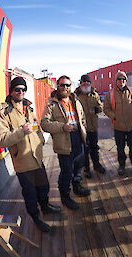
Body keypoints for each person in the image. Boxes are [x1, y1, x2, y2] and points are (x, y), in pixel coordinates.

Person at [0, 77, 61, 232]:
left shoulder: (29, 108)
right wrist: (20, 132)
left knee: (44, 186)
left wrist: (40, 141)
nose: (21, 92)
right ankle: (36, 217)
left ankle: (45, 206)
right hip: (22, 162)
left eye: (23, 89)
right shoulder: (5, 113)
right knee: (30, 194)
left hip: (37, 158)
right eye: (17, 89)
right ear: (11, 91)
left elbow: (36, 126)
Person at [41, 75, 90, 211]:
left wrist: (83, 130)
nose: (65, 88)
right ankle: (65, 196)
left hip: (78, 138)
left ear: (71, 86)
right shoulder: (52, 104)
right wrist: (62, 127)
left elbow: (83, 117)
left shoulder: (76, 100)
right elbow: (44, 124)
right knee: (67, 172)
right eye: (62, 85)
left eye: (67, 85)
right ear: (58, 86)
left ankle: (77, 186)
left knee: (78, 167)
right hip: (63, 142)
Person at [103, 71, 132, 176]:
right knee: (120, 148)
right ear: (116, 81)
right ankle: (122, 166)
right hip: (118, 127)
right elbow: (106, 108)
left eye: (124, 79)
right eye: (119, 79)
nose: (122, 81)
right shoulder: (110, 94)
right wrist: (114, 116)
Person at [75, 74, 106, 178]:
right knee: (84, 150)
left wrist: (96, 110)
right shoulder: (75, 96)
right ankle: (86, 169)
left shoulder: (94, 94)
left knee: (94, 148)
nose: (86, 84)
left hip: (93, 127)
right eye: (83, 82)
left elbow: (100, 107)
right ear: (80, 83)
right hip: (82, 129)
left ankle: (97, 166)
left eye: (87, 82)